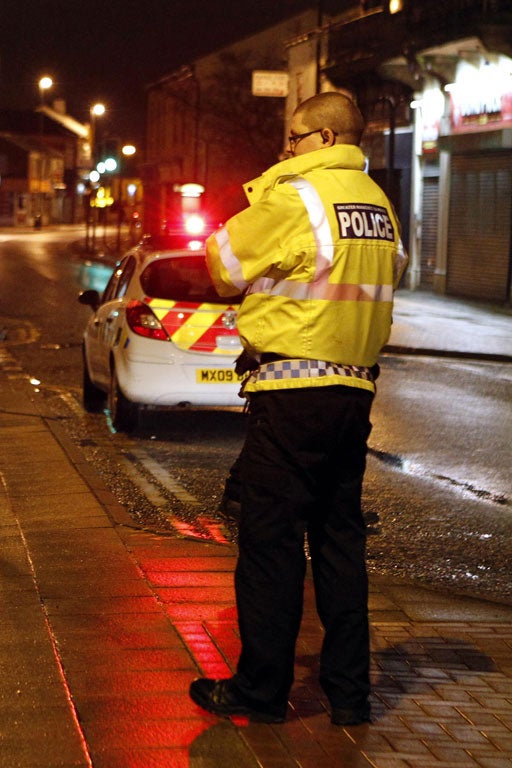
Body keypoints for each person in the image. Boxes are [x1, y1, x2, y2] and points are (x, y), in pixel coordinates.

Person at [191, 92, 407, 726]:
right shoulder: (380, 206)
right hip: (353, 393)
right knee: (339, 542)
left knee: (270, 542)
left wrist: (252, 209)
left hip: (290, 392)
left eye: (293, 137)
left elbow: (222, 264)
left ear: (324, 138)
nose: (285, 149)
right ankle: (349, 696)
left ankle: (261, 691)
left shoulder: (299, 196)